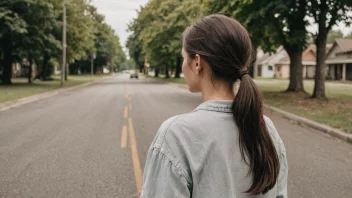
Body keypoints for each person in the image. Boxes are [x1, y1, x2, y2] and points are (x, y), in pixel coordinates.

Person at [141, 14, 288, 198]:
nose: (182, 68)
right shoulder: (266, 128)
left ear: (197, 63)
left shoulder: (176, 135)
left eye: (183, 58)